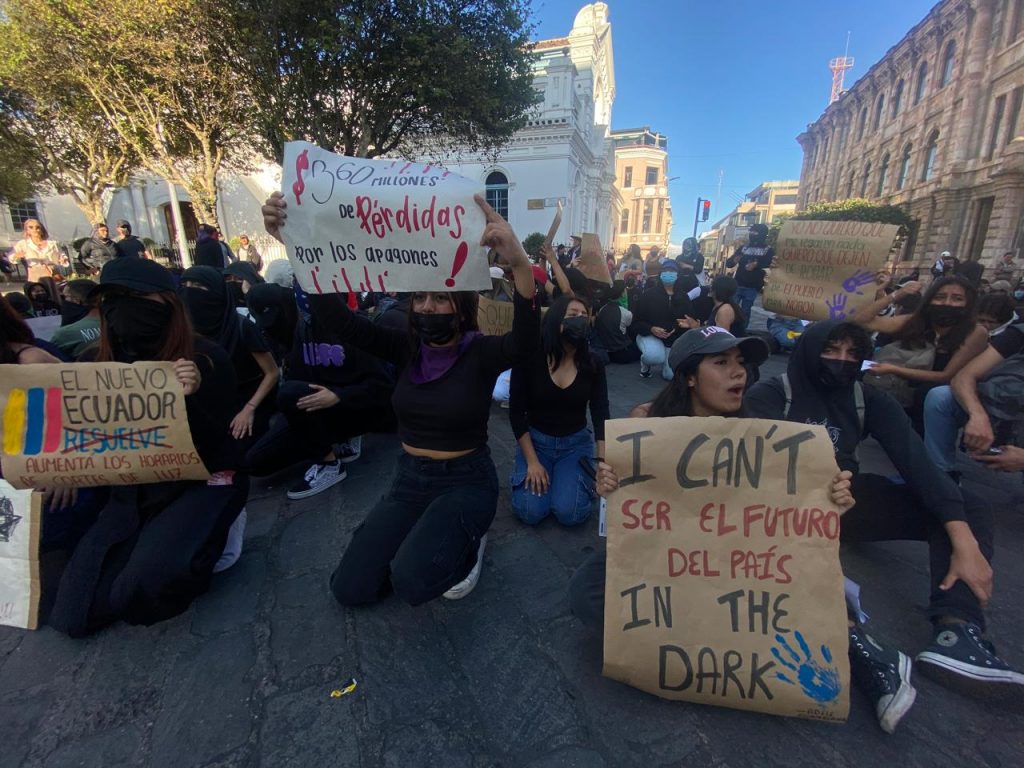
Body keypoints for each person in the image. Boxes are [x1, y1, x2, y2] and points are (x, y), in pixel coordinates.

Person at [571, 327, 919, 733]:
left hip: (744, 560)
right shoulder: (647, 426)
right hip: (673, 558)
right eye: (721, 363)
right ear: (687, 376)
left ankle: (865, 650)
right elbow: (627, 524)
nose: (739, 374)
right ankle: (699, 630)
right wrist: (611, 486)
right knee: (586, 593)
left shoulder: (766, 433)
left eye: (741, 363)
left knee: (801, 581)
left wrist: (834, 494)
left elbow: (798, 518)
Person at [261, 190, 539, 604]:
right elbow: (341, 321)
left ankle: (469, 539)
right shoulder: (404, 348)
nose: (427, 306)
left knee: (413, 583)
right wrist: (299, 246)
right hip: (409, 478)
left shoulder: (481, 352)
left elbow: (525, 341)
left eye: (440, 297)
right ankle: (427, 533)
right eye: (420, 298)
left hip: (465, 480)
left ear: (460, 307)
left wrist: (519, 262)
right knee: (350, 590)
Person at [745, 320, 1022, 699]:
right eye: (831, 350)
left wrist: (964, 539)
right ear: (809, 351)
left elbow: (918, 465)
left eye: (852, 353)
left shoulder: (868, 399)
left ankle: (956, 631)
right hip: (785, 515)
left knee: (966, 503)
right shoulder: (771, 395)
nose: (841, 361)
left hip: (849, 503)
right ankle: (853, 642)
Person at [48, 257, 248, 637]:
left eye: (134, 296)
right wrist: (63, 466)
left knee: (142, 594)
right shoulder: (93, 363)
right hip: (131, 493)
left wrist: (189, 398)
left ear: (165, 303)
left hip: (200, 483)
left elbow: (223, 445)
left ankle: (214, 534)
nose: (121, 307)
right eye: (112, 298)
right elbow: (79, 431)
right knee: (72, 617)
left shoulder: (204, 358)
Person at [509, 296, 607, 526]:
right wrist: (532, 462)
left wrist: (603, 461)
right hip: (536, 443)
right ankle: (526, 471)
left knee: (570, 514)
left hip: (575, 445)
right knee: (530, 512)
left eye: (584, 316)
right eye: (572, 315)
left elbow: (600, 411)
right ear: (555, 320)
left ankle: (569, 480)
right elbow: (516, 412)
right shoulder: (530, 358)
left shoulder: (593, 363)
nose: (580, 320)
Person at [854, 276, 988, 430]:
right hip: (897, 379)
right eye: (940, 297)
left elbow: (946, 376)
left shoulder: (976, 332)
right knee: (858, 365)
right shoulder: (916, 321)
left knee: (928, 393)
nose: (947, 303)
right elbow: (863, 321)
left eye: (957, 299)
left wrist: (892, 369)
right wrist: (897, 294)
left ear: (968, 303)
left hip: (932, 393)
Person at [180, 266, 279, 460]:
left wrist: (249, 409)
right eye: (185, 285)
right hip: (207, 406)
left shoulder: (242, 327)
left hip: (246, 401)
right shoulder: (184, 332)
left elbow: (272, 373)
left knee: (247, 457)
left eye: (198, 286)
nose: (190, 291)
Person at [923, 313, 1024, 478]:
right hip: (1005, 412)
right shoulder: (1018, 335)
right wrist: (977, 416)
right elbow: (964, 376)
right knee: (941, 397)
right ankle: (940, 477)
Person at [631, 259, 697, 380]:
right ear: (660, 273)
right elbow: (636, 322)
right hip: (649, 335)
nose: (668, 273)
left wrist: (684, 325)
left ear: (678, 274)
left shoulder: (683, 297)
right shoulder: (648, 295)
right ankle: (645, 364)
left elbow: (690, 321)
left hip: (673, 340)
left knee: (669, 376)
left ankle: (666, 361)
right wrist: (651, 329)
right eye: (665, 270)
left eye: (672, 271)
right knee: (653, 356)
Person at [725, 222, 774, 318]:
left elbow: (770, 266)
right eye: (751, 232)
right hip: (738, 283)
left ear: (762, 234)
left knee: (745, 311)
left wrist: (757, 265)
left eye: (754, 233)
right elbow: (729, 263)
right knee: (731, 308)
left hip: (753, 286)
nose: (751, 234)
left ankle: (742, 330)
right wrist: (734, 260)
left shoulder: (768, 250)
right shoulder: (744, 248)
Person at [50, 279, 101, 358]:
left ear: (76, 300)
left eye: (65, 297)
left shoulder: (64, 334)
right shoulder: (115, 323)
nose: (64, 301)